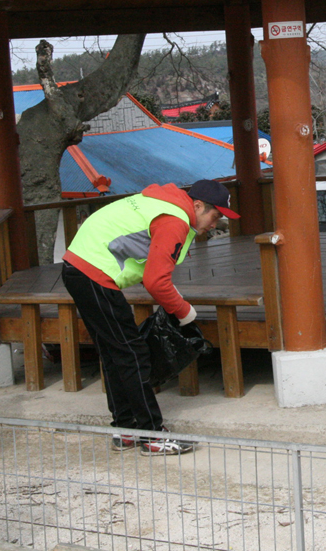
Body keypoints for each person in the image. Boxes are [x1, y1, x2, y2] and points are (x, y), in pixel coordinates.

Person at [61, 179, 240, 454]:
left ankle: (126, 429)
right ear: (198, 205)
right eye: (215, 216)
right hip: (94, 273)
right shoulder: (175, 219)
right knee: (133, 354)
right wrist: (184, 312)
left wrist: (173, 298)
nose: (215, 224)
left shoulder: (164, 205)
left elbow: (149, 266)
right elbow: (156, 282)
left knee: (115, 353)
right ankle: (151, 434)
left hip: (80, 268)